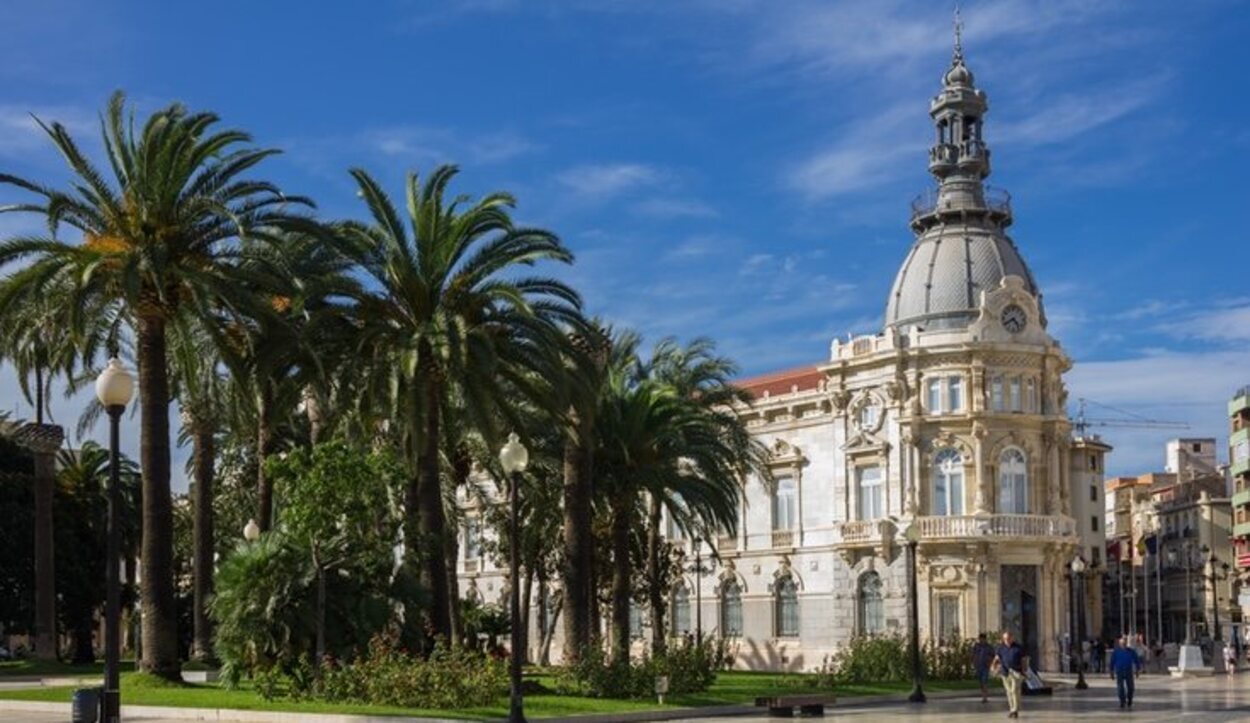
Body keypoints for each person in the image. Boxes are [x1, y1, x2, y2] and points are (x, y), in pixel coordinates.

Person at [992, 631, 1026, 719]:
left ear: (1012, 638)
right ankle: (1012, 709)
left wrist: (1024, 671)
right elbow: (997, 658)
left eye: (1008, 638)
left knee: (1014, 690)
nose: (1007, 640)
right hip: (1005, 672)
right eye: (1005, 639)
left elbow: (1023, 660)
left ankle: (1015, 710)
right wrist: (993, 666)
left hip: (1016, 672)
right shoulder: (1001, 648)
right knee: (1009, 692)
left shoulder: (1018, 648)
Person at [1109, 636, 1142, 709]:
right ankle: (1122, 701)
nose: (1123, 644)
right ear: (1119, 644)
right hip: (1119, 670)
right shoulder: (1116, 652)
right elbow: (1112, 662)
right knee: (1120, 687)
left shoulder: (1131, 651)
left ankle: (1129, 699)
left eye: (1125, 643)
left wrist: (1137, 670)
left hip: (1128, 670)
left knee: (1131, 687)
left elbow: (1136, 660)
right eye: (1122, 643)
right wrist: (1111, 672)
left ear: (1126, 643)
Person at [971, 633, 995, 703]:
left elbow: (993, 655)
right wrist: (973, 662)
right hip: (978, 666)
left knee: (985, 681)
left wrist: (990, 662)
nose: (981, 640)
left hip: (985, 666)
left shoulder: (989, 647)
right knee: (981, 682)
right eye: (980, 639)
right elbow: (973, 654)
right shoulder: (976, 646)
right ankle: (983, 694)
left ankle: (985, 697)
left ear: (985, 639)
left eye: (982, 639)